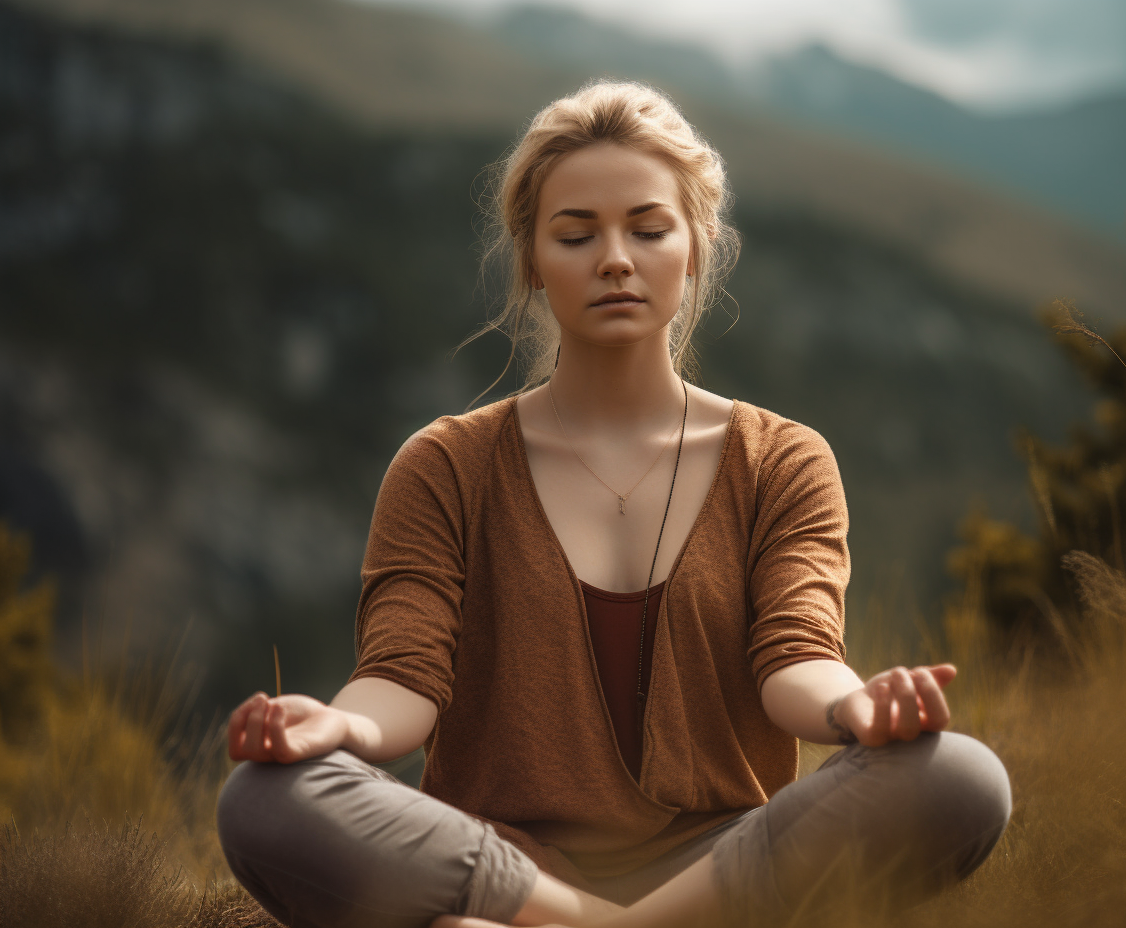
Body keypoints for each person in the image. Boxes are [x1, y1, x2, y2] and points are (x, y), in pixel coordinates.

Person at [215, 80, 1012, 928]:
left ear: (698, 245)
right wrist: (333, 730)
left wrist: (855, 707)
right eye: (576, 233)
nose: (615, 259)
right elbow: (400, 680)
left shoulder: (782, 460)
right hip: (502, 860)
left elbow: (795, 657)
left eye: (648, 227)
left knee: (959, 776)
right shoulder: (444, 465)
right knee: (264, 800)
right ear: (531, 260)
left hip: (721, 858)